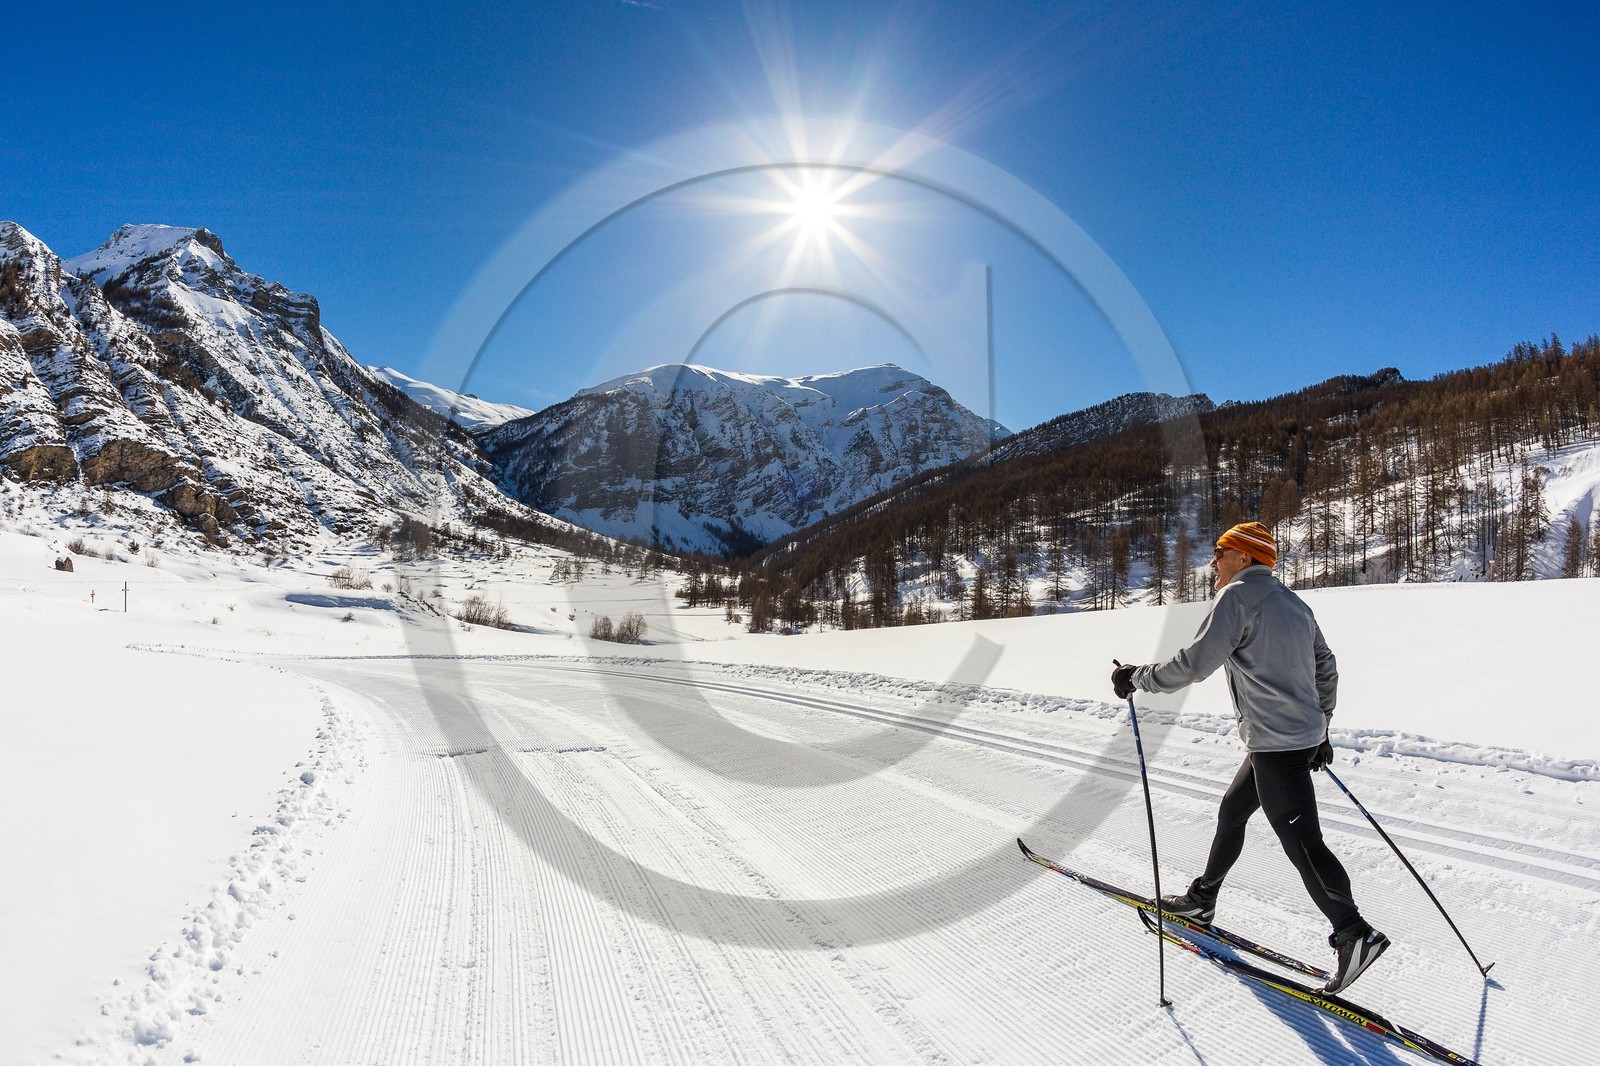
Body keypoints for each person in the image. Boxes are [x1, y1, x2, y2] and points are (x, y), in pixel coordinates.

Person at [1110, 520, 1388, 994]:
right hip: (1287, 739)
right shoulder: (1293, 602)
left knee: (1303, 843)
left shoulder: (1236, 598)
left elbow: (1195, 663)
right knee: (1233, 810)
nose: (1214, 562)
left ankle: (1353, 933)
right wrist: (1321, 727)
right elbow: (1326, 668)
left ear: (1244, 557)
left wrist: (1138, 677)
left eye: (1220, 552)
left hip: (1277, 744)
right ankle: (1202, 899)